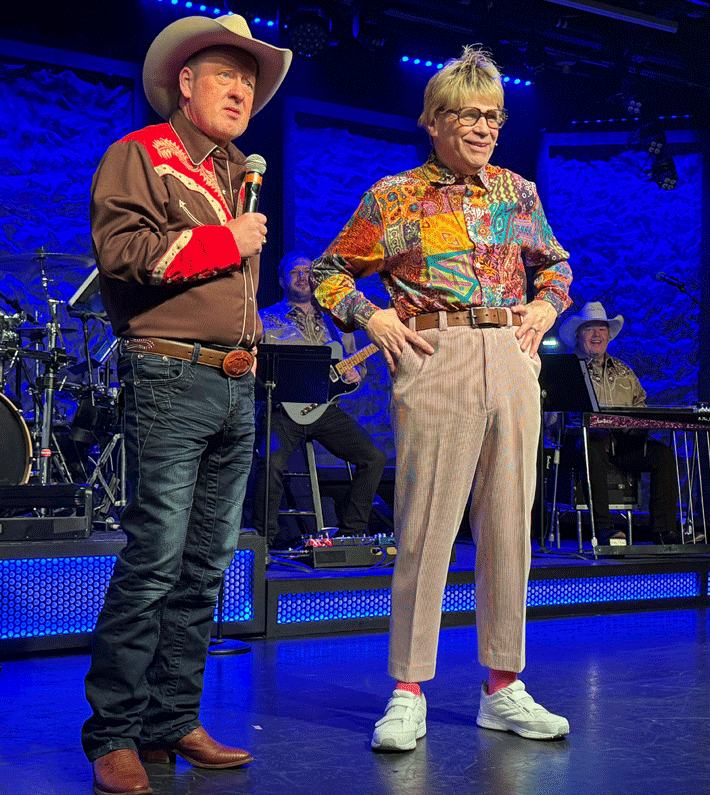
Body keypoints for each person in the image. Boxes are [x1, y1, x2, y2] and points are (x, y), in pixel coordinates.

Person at [311, 46, 573, 751]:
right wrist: (373, 317)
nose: (484, 127)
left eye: (493, 115)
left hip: (511, 358)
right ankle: (407, 689)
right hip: (436, 354)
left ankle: (502, 685)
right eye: (468, 114)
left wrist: (547, 310)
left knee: (509, 529)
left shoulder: (518, 192)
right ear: (433, 120)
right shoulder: (394, 196)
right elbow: (330, 272)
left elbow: (555, 266)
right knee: (425, 527)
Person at [82, 15, 291, 795]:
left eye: (249, 79)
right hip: (170, 377)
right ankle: (113, 733)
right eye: (225, 74)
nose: (241, 89)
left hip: (236, 383)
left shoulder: (237, 173)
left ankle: (172, 718)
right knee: (154, 560)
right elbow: (124, 255)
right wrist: (226, 241)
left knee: (206, 566)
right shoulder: (141, 155)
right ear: (185, 83)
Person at [252, 252, 387, 547]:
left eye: (309, 271)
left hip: (325, 410)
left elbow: (355, 364)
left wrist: (356, 374)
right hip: (282, 411)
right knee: (270, 464)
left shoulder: (336, 323)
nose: (303, 276)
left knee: (374, 458)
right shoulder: (263, 319)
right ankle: (263, 543)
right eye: (295, 272)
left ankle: (352, 532)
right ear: (281, 280)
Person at [558, 301, 683, 546]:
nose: (597, 335)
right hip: (582, 441)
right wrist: (587, 428)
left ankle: (663, 532)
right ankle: (605, 530)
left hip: (622, 441)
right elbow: (553, 418)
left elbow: (641, 407)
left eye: (602, 329)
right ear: (578, 335)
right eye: (590, 329)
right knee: (591, 448)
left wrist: (638, 427)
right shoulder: (567, 370)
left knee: (662, 455)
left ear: (609, 336)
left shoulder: (625, 371)